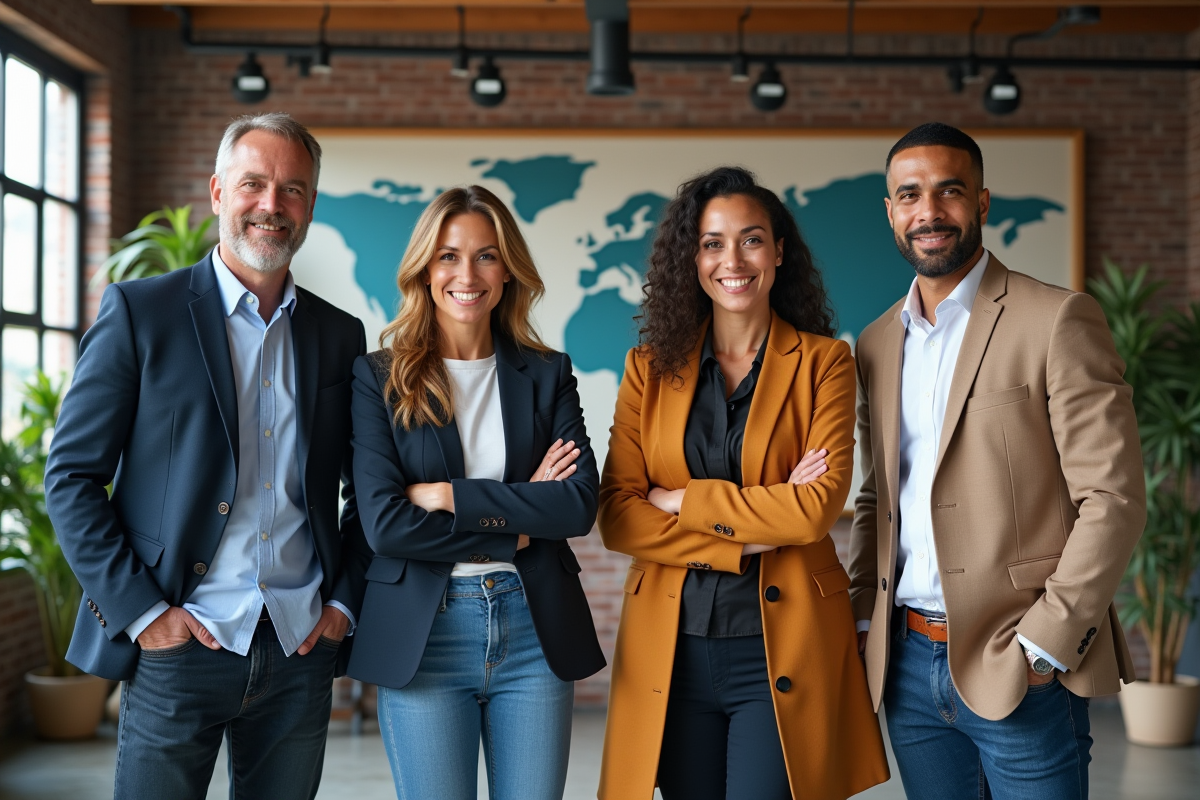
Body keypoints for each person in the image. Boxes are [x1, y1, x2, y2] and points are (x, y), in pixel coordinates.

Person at [44, 112, 370, 798]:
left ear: (309, 205)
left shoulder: (339, 336)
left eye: (292, 189)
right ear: (219, 192)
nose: (271, 206)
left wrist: (341, 604)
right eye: (254, 184)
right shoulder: (141, 312)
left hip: (298, 645)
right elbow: (72, 477)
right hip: (177, 644)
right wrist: (142, 613)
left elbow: (365, 488)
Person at [848, 122, 1146, 799]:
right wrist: (868, 616)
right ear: (891, 211)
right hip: (908, 666)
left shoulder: (1057, 319)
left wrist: (1045, 643)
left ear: (981, 203)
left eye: (949, 192)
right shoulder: (875, 344)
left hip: (1020, 660)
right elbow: (879, 498)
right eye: (910, 195)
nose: (929, 212)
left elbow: (1115, 498)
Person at [597, 166, 889, 800]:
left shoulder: (824, 362)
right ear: (692, 258)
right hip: (671, 652)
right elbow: (618, 516)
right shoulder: (647, 369)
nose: (733, 259)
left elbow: (813, 511)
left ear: (779, 252)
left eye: (752, 239)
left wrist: (677, 500)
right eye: (711, 242)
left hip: (784, 645)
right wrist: (747, 536)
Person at [347, 184, 605, 800]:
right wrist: (518, 518)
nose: (468, 273)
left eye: (487, 255)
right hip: (425, 633)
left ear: (508, 268)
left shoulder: (547, 373)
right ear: (425, 269)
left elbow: (576, 504)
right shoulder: (378, 377)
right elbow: (385, 524)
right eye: (449, 256)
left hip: (533, 627)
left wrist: (448, 495)